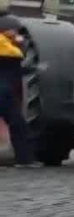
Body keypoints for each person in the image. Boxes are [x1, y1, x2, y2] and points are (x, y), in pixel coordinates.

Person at [0, 28, 36, 169]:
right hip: (5, 94)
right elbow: (16, 71)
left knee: (18, 125)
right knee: (18, 126)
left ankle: (24, 160)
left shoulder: (7, 49)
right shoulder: (11, 53)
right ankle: (24, 160)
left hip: (5, 93)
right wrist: (35, 69)